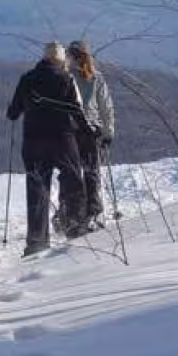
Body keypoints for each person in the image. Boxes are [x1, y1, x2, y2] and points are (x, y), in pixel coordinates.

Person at [6, 42, 89, 257]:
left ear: (43, 59)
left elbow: (13, 113)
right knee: (72, 180)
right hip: (63, 139)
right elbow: (77, 110)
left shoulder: (27, 79)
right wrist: (89, 130)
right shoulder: (67, 79)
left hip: (33, 141)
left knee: (37, 189)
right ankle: (74, 228)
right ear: (61, 60)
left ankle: (36, 241)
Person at [66, 40, 116, 231]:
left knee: (72, 173)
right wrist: (108, 132)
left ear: (72, 56)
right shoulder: (96, 78)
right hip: (92, 131)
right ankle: (92, 212)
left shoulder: (67, 77)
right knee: (91, 171)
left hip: (71, 130)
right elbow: (106, 107)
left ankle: (72, 213)